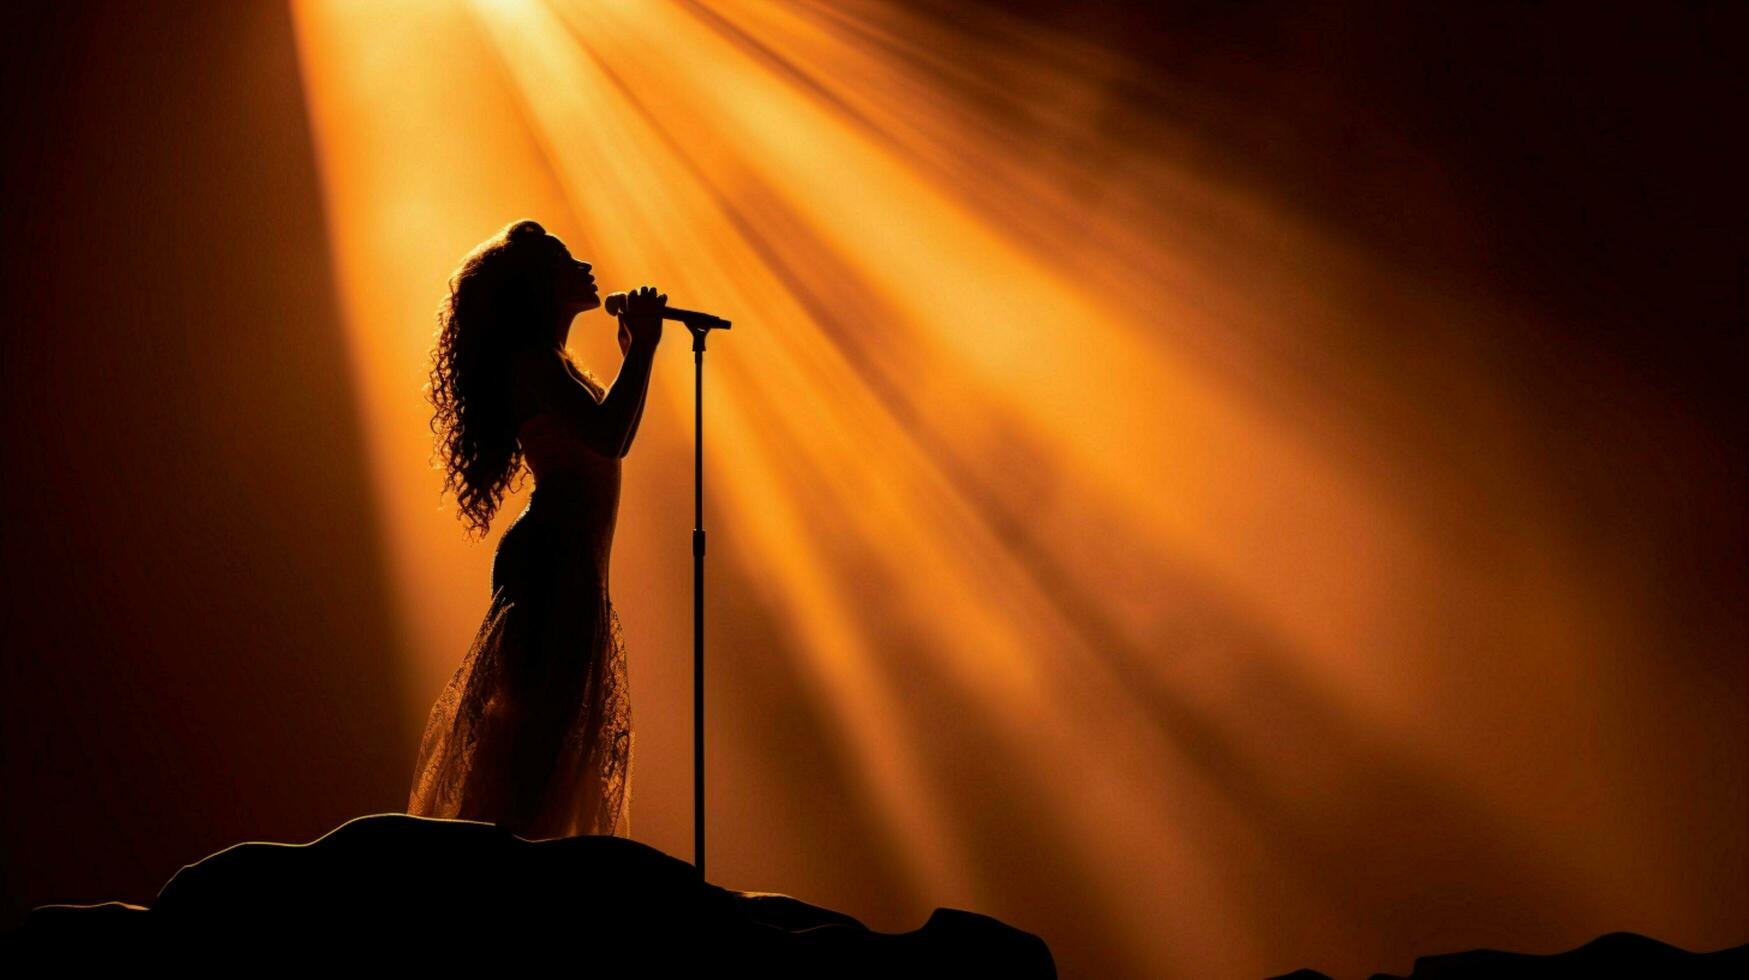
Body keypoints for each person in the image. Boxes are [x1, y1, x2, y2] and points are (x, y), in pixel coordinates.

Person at [406, 218, 666, 839]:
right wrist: (646, 351)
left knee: (556, 750)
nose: (582, 265)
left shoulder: (555, 363)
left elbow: (608, 436)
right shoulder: (532, 364)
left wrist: (636, 356)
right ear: (536, 285)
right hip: (551, 563)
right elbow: (609, 436)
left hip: (572, 566)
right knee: (533, 751)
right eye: (562, 258)